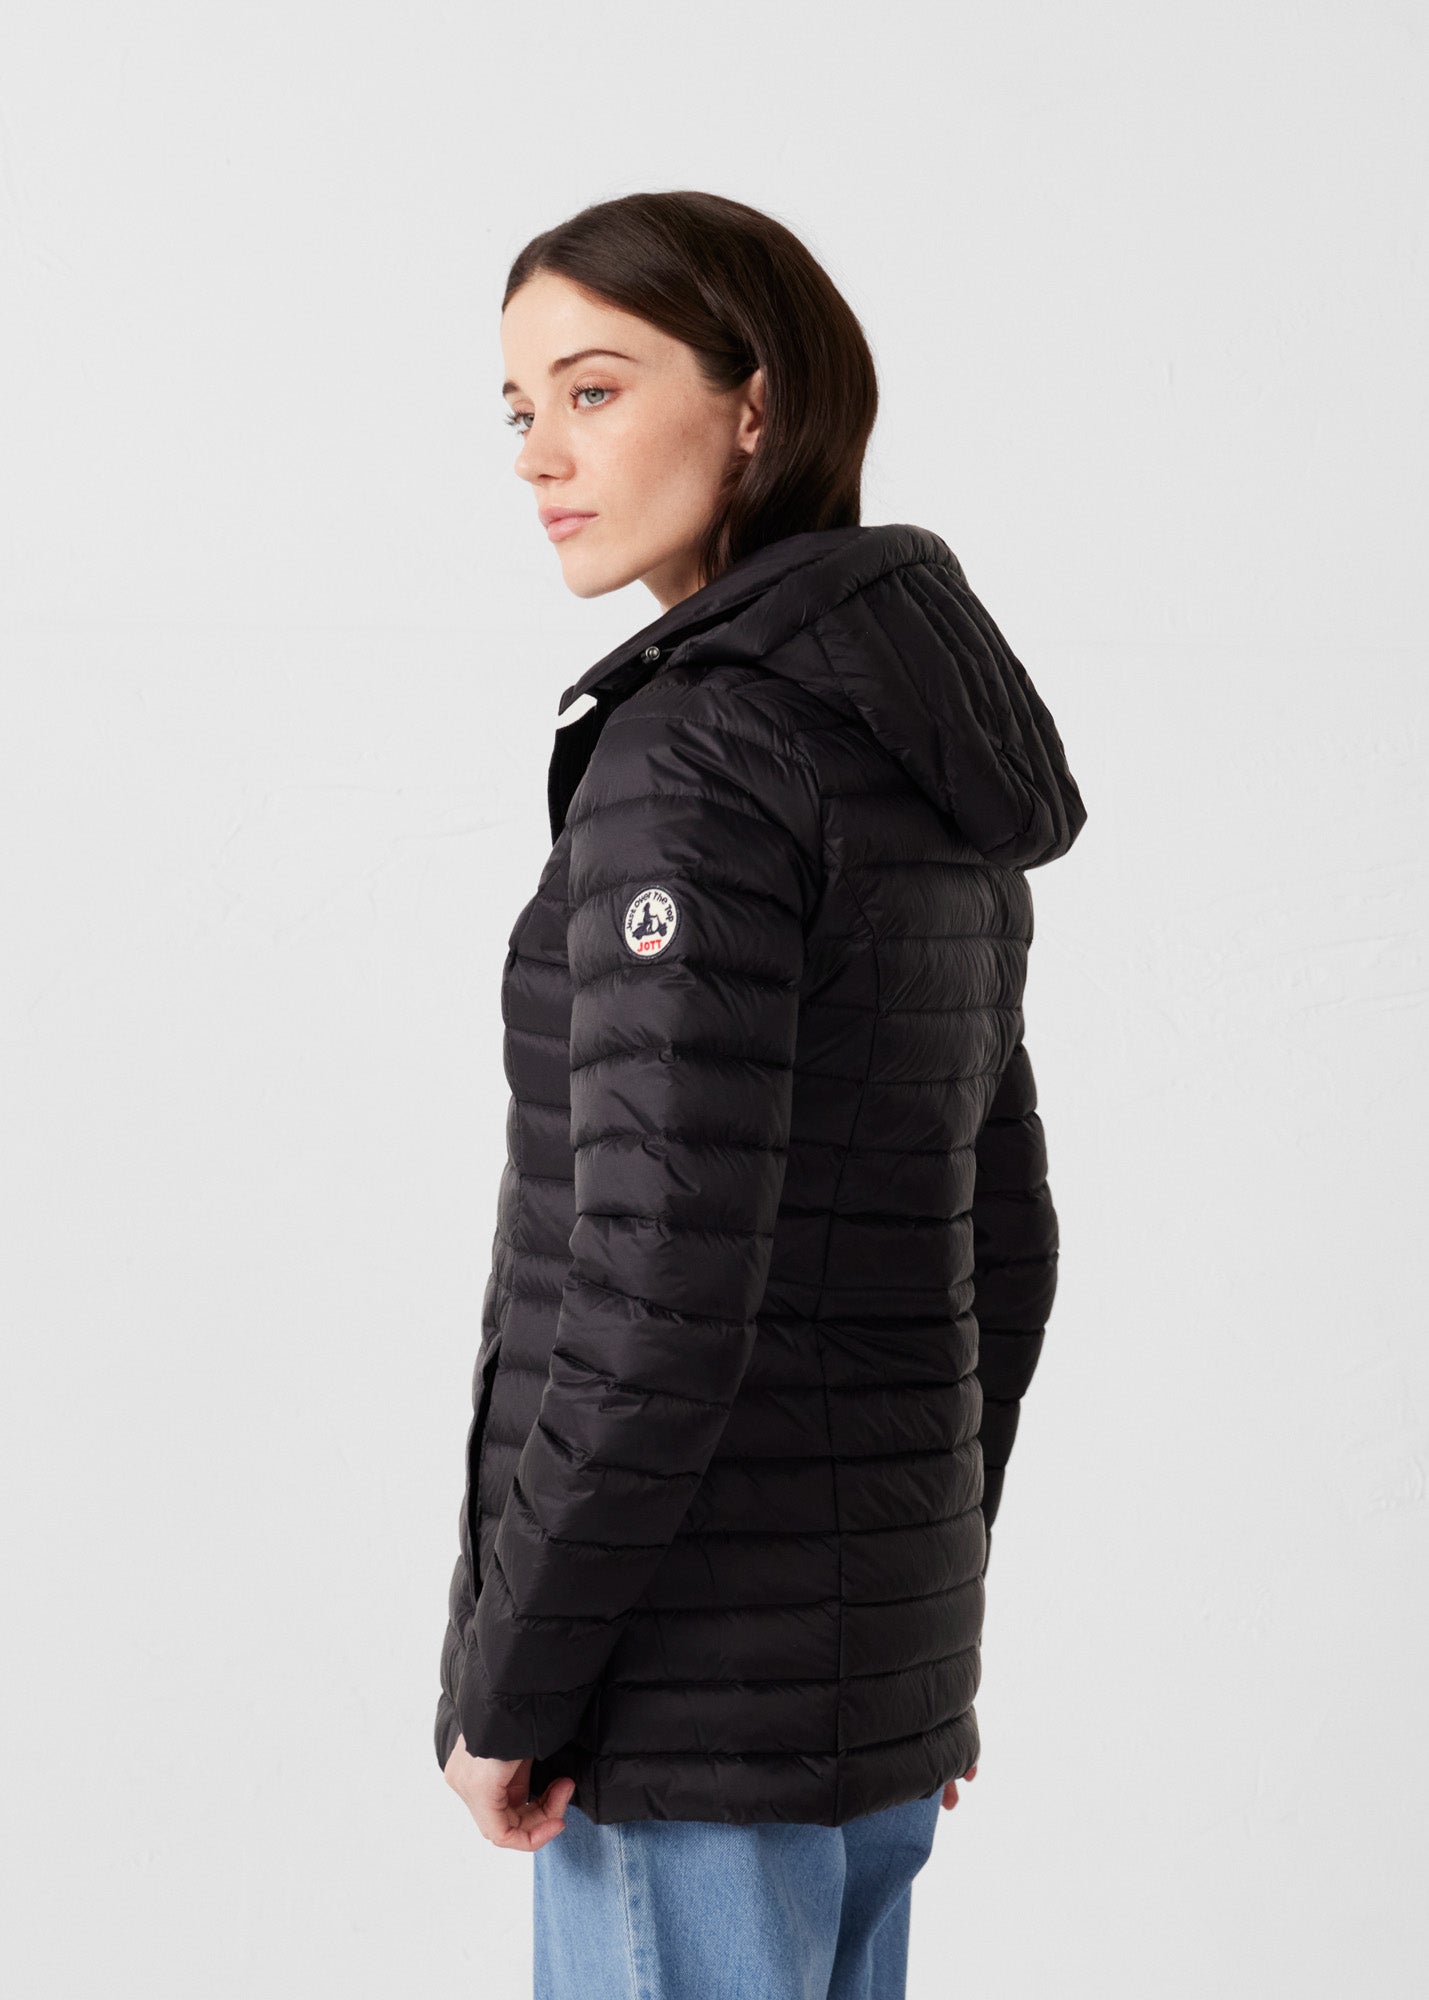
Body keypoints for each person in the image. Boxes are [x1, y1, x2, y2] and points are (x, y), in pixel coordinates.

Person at [435, 189, 1087, 2000]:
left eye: (592, 389)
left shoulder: (696, 758)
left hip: (687, 1710)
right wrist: (901, 1649)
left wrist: (512, 1685)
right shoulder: (904, 748)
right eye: (519, 409)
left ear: (756, 405)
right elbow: (999, 1242)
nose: (539, 455)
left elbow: (651, 1292)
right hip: (848, 1702)